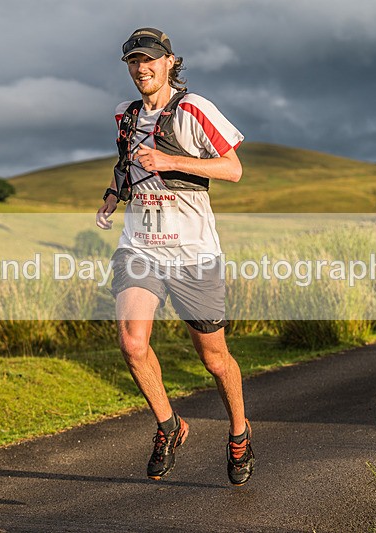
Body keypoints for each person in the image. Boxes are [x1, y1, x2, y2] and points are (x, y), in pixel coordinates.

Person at [95, 27, 254, 485]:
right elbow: (126, 164)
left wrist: (171, 162)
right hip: (139, 247)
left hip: (193, 253)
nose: (140, 68)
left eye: (149, 59)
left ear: (169, 63)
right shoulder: (125, 117)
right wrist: (112, 194)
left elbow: (234, 169)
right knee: (132, 344)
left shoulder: (193, 109)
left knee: (214, 357)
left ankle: (240, 432)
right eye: (132, 61)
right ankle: (170, 426)